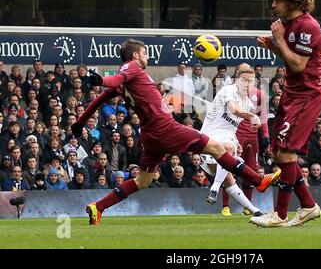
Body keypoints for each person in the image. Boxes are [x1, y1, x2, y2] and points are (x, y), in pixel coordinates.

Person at [71, 39, 280, 225]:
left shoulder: (128, 79)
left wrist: (80, 123)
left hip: (150, 134)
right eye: (145, 53)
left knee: (142, 181)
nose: (147, 57)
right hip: (166, 128)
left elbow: (99, 99)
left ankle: (98, 207)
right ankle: (257, 181)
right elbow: (116, 78)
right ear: (135, 55)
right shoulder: (132, 67)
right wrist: (101, 81)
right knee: (217, 147)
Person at [251, 0, 321, 228]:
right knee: (280, 153)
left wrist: (279, 41)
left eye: (277, 0)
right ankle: (308, 206)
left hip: (307, 95)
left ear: (292, 1)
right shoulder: (285, 22)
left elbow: (298, 64)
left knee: (287, 152)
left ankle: (279, 215)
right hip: (291, 93)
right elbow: (288, 57)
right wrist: (273, 45)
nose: (273, 5)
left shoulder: (309, 27)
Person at [201, 64, 265, 217]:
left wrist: (236, 141)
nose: (248, 84)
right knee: (227, 151)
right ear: (237, 80)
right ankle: (215, 188)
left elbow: (232, 126)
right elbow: (233, 109)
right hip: (210, 135)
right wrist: (251, 116)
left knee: (229, 178)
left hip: (227, 137)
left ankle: (254, 211)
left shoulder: (248, 103)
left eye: (251, 81)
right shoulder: (227, 90)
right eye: (244, 80)